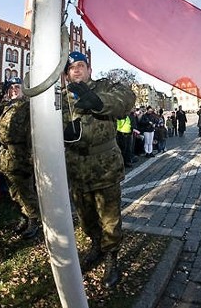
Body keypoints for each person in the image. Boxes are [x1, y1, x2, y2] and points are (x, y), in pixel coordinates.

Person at [62, 51, 136, 288]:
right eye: (72, 68)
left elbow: (127, 98)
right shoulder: (60, 98)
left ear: (89, 70)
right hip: (76, 167)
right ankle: (96, 245)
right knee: (85, 217)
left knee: (110, 218)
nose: (77, 70)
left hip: (104, 167)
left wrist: (98, 102)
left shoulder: (104, 86)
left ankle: (112, 257)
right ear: (66, 75)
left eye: (81, 65)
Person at [0, 76, 41, 239]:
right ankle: (24, 216)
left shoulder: (28, 106)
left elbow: (33, 133)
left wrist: (31, 158)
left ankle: (34, 220)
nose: (14, 90)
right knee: (14, 192)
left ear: (23, 89)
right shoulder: (4, 106)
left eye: (17, 87)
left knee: (25, 191)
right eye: (11, 87)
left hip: (21, 154)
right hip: (6, 155)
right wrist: (0, 92)